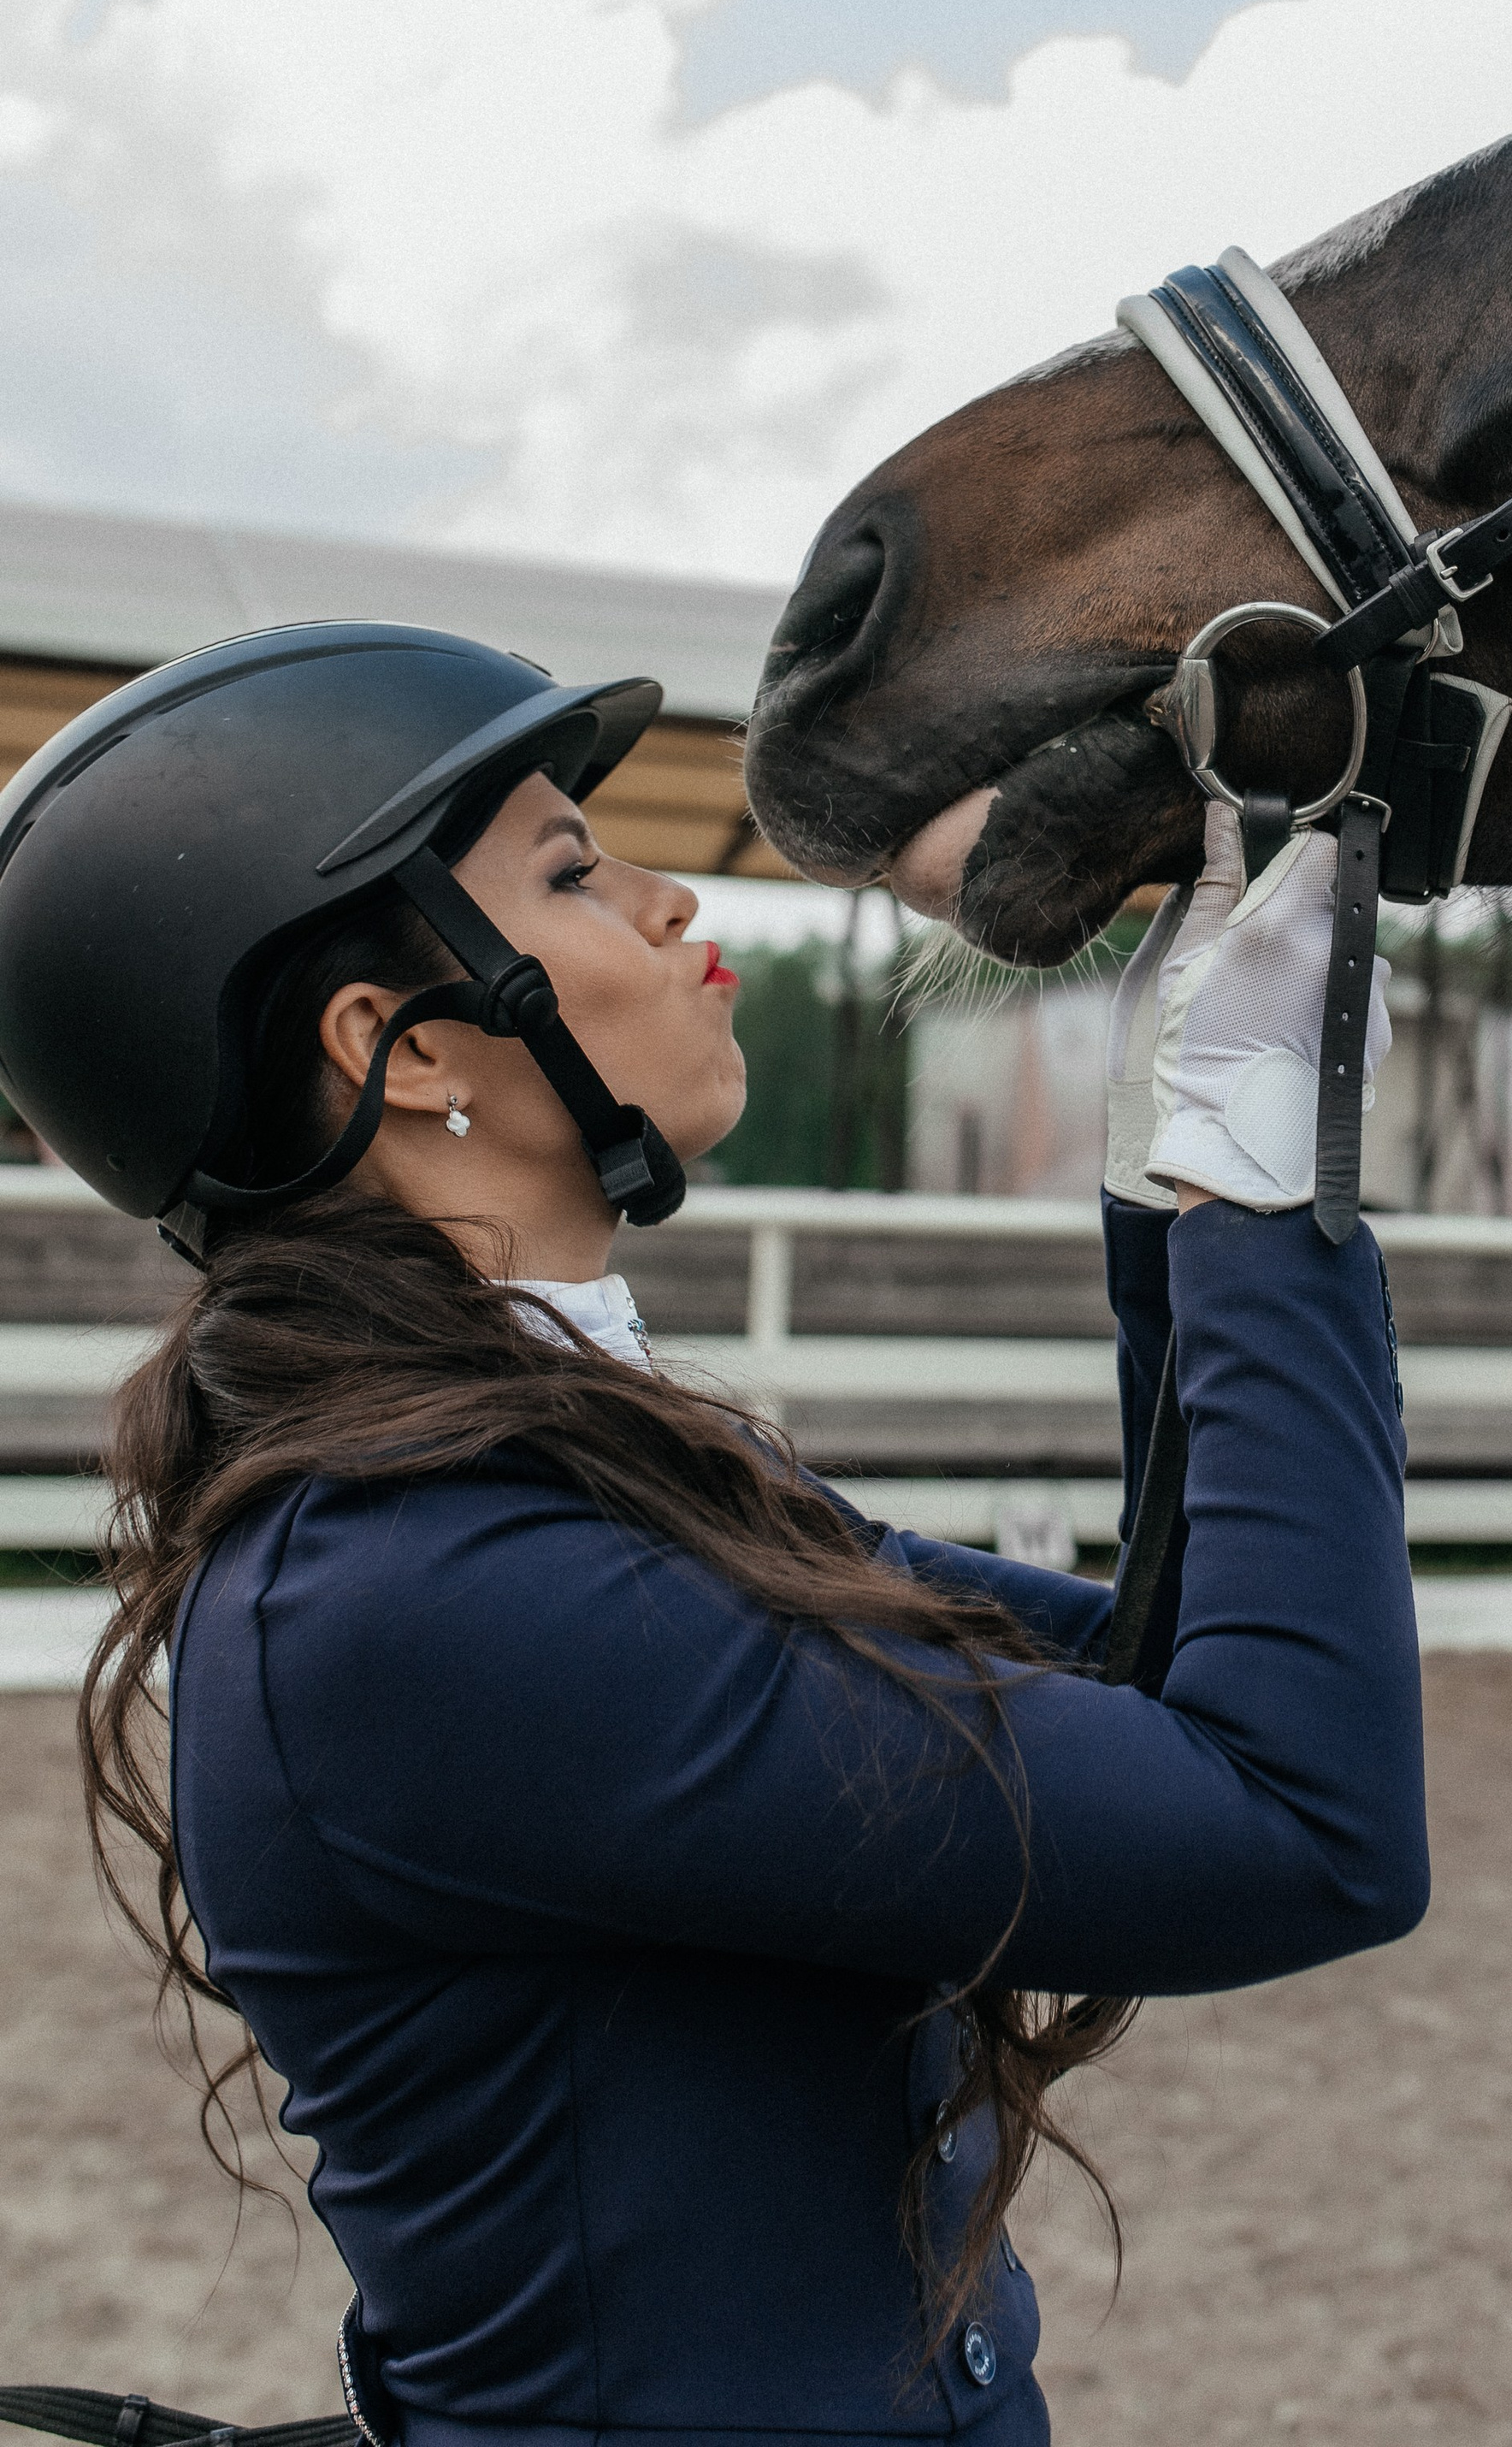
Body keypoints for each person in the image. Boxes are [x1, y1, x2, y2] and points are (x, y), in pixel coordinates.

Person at [0, 622, 1426, 2447]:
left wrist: (1169, 1167)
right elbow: (1302, 1829)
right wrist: (1256, 1189)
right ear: (401, 1046)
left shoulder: (559, 1479)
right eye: (574, 872)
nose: (673, 900)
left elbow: (1151, 1669)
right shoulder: (427, 1591)